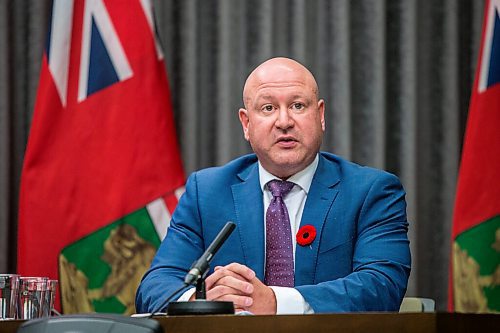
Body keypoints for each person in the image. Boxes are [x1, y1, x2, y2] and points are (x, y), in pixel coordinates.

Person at [135, 57, 411, 314]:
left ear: (321, 115)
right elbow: (154, 287)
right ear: (246, 123)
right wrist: (203, 301)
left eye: (298, 106)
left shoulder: (371, 191)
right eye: (268, 108)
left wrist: (275, 302)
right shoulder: (205, 192)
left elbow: (382, 285)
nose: (284, 121)